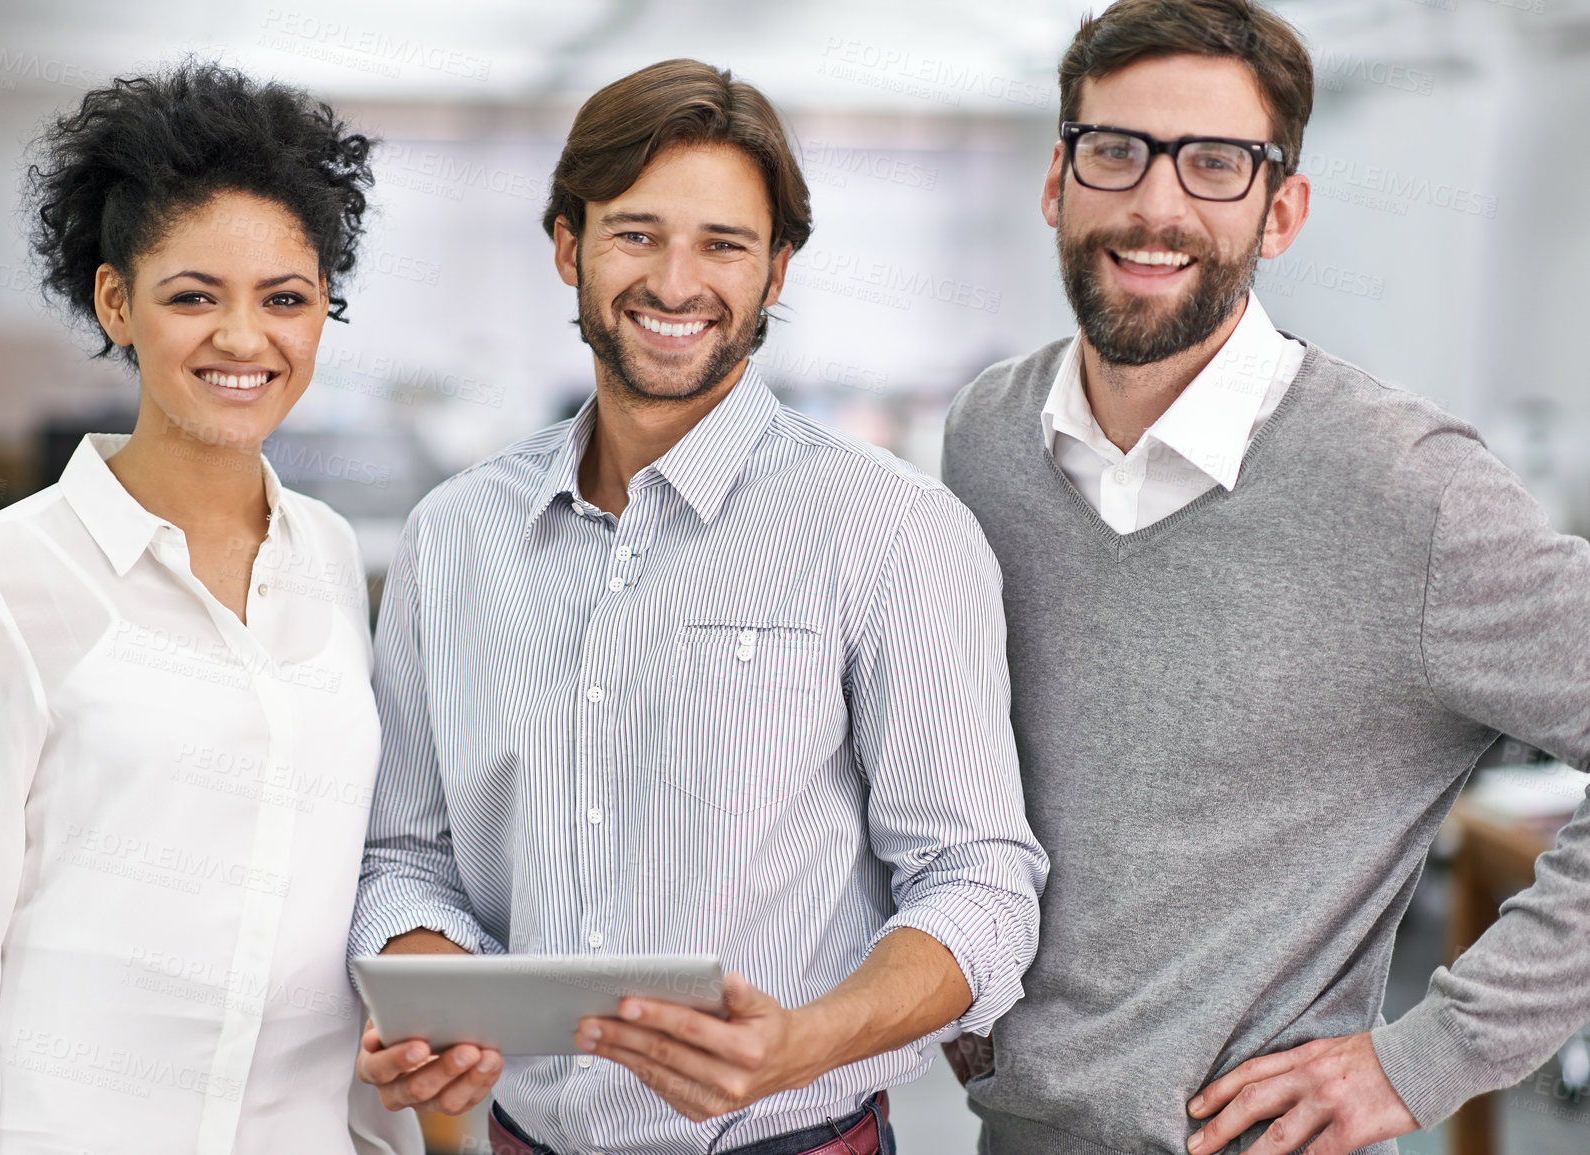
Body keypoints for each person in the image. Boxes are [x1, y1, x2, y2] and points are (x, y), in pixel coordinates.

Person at [348, 58, 1048, 1154]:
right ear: (568, 246)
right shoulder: (453, 538)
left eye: (724, 243)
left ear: (776, 271)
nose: (677, 282)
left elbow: (980, 884)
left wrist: (810, 1038)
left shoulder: (890, 529)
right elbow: (405, 854)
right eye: (636, 233)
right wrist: (438, 997)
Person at [940, 2, 1590, 1154]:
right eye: (1116, 150)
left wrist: (1428, 1056)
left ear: (1280, 209)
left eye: (1215, 164)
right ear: (1058, 178)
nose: (1155, 204)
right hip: (1013, 1132)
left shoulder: (1410, 489)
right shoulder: (987, 436)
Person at [0, 62, 419, 1155]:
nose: (245, 340)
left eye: (287, 299)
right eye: (193, 295)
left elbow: (336, 897)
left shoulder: (326, 556)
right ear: (116, 300)